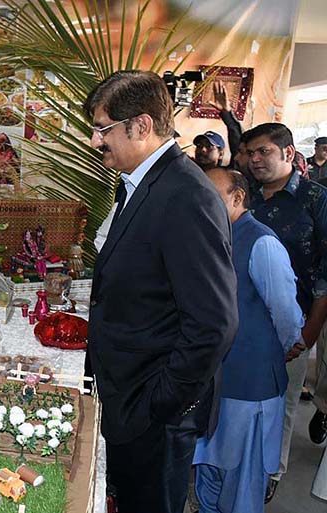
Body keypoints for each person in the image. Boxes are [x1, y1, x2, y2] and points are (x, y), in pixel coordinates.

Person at [84, 71, 238, 513]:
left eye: (103, 129)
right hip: (131, 398)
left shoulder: (186, 195)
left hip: (154, 410)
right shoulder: (138, 183)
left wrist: (162, 401)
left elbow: (214, 323)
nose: (96, 142)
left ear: (142, 126)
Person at [194, 168, 303, 513]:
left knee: (242, 480)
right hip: (213, 380)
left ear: (237, 197)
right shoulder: (211, 237)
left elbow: (285, 312)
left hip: (249, 382)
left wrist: (282, 348)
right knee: (209, 469)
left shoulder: (261, 242)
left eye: (210, 195)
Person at [244, 123, 327, 501]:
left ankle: (270, 473)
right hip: (243, 320)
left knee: (282, 401)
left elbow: (326, 272)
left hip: (295, 323)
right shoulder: (245, 198)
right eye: (250, 153)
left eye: (264, 152)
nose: (255, 159)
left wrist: (307, 334)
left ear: (289, 153)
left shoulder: (316, 199)